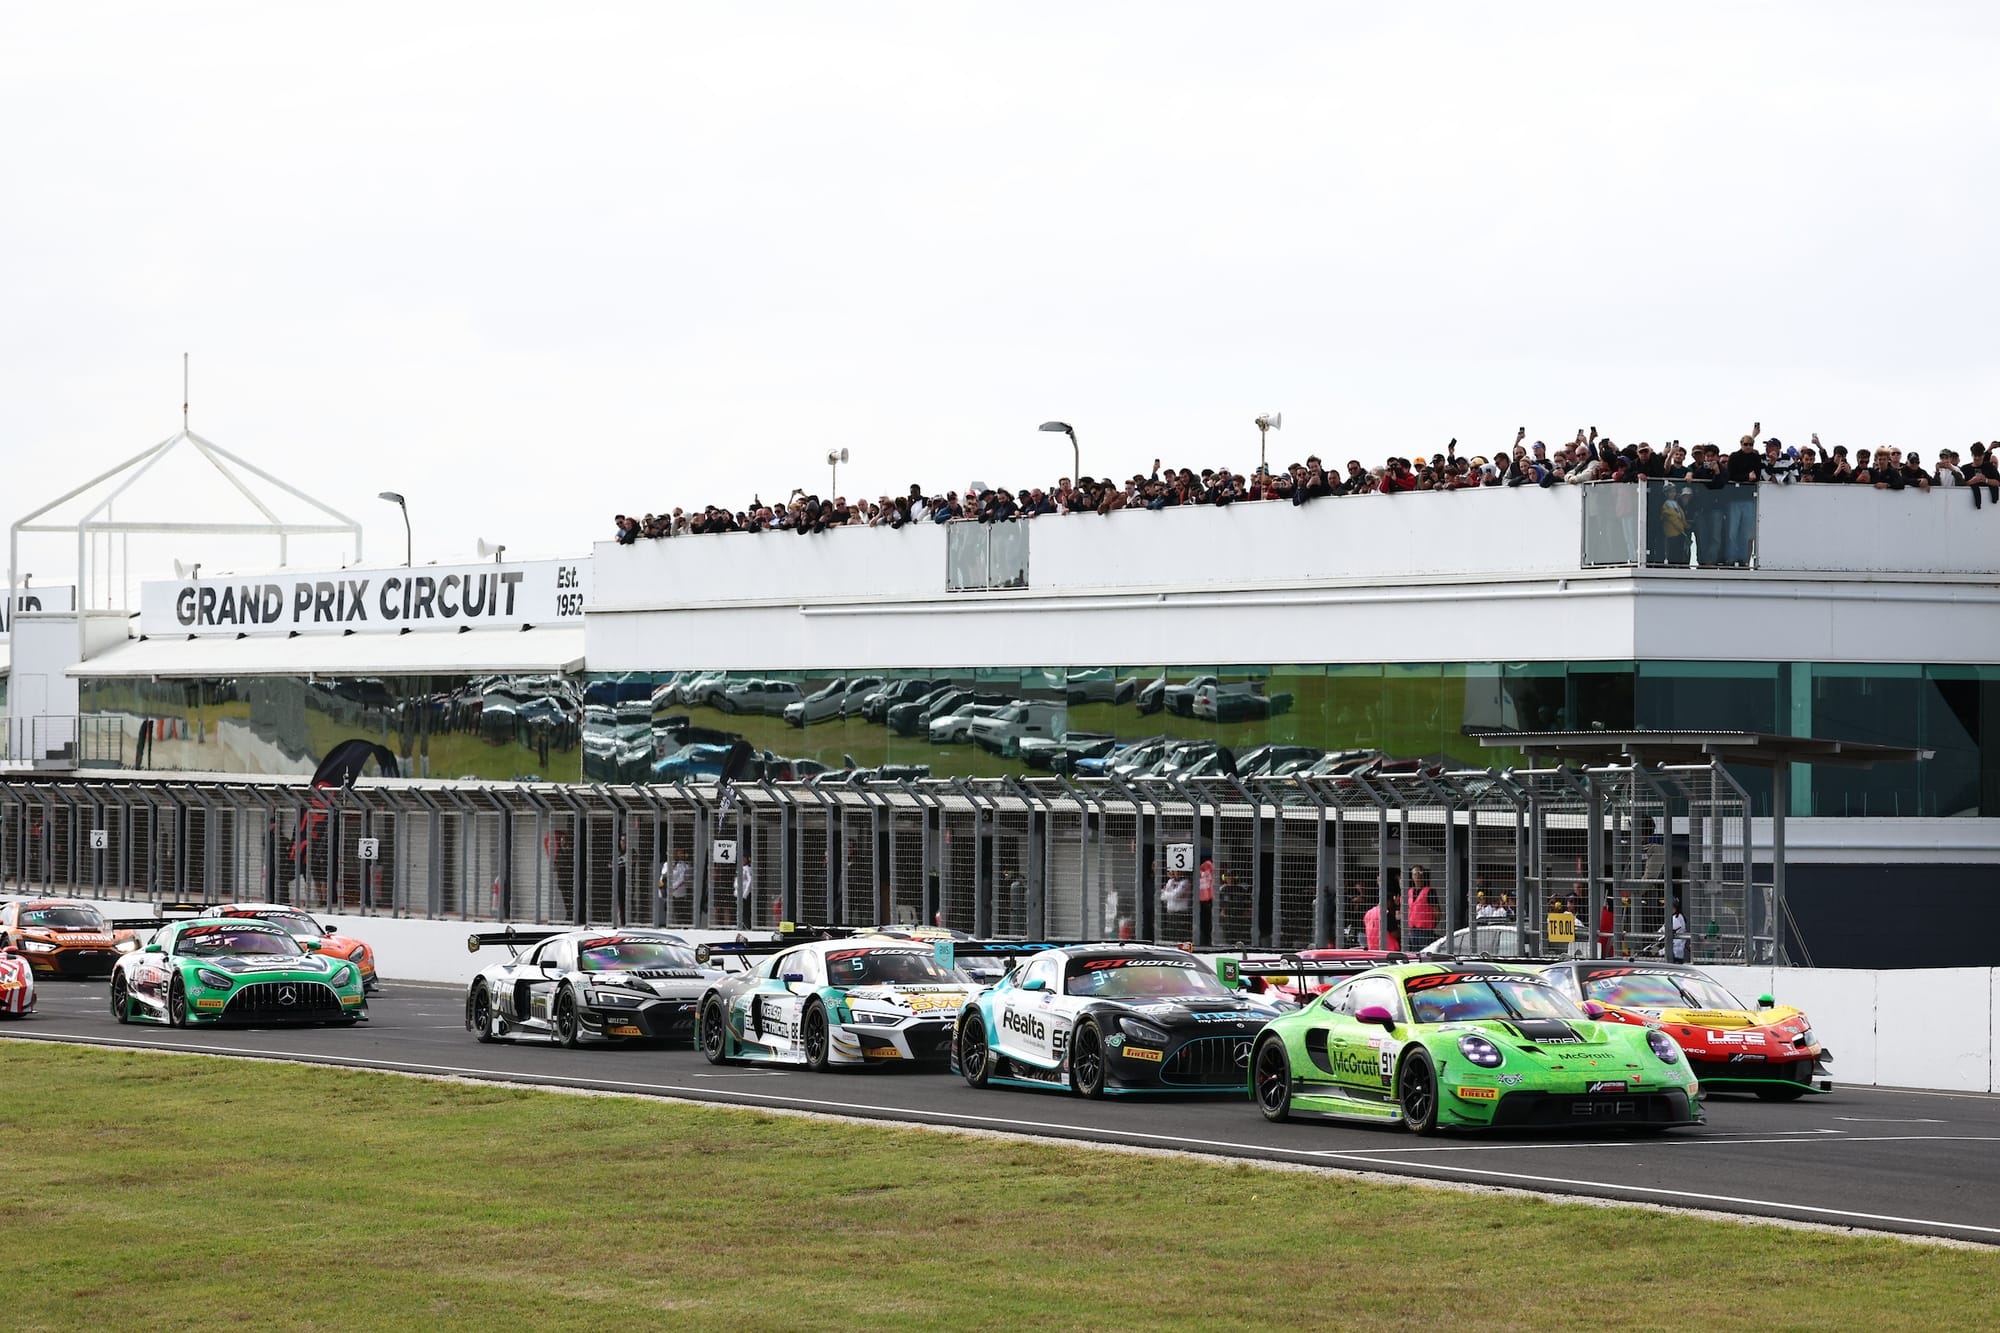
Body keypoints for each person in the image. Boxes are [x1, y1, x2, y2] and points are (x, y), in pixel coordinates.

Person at [1406, 867, 1439, 951]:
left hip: (1425, 930)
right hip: (1412, 930)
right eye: (1415, 873)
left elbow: (1437, 912)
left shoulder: (1429, 891)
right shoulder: (1410, 892)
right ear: (1412, 876)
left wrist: (1431, 925)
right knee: (1413, 953)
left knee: (1424, 953)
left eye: (1419, 873)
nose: (1417, 875)